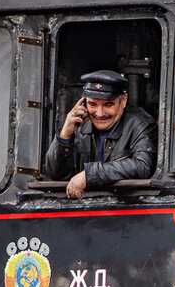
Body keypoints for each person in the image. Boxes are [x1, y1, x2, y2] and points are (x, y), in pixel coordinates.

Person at [43, 70, 157, 198]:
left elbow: (143, 166)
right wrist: (64, 136)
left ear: (123, 100)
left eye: (108, 104)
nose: (100, 113)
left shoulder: (141, 125)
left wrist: (90, 174)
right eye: (92, 104)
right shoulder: (80, 126)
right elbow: (55, 174)